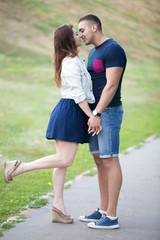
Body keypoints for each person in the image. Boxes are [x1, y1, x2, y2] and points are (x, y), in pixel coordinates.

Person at [4, 24, 101, 224]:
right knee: (65, 160)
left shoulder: (73, 60)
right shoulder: (70, 63)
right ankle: (19, 167)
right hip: (71, 111)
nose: (79, 36)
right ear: (68, 39)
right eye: (76, 34)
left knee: (61, 161)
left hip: (70, 110)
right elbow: (78, 93)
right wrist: (91, 116)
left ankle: (58, 207)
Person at [78, 14, 127, 229]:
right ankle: (103, 210)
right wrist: (91, 114)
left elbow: (111, 86)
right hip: (95, 116)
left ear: (94, 26)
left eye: (82, 30)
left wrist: (97, 113)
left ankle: (112, 217)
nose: (80, 35)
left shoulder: (113, 49)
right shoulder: (92, 53)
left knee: (110, 159)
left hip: (108, 113)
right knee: (99, 161)